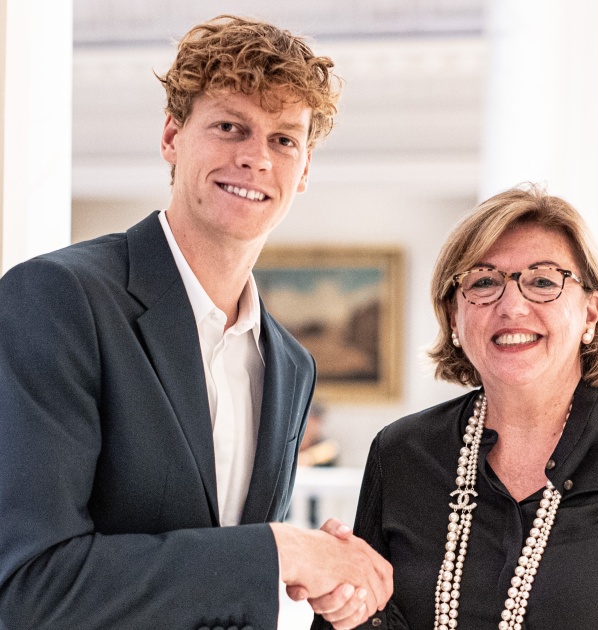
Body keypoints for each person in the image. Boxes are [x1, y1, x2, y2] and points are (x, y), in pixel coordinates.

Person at [0, 15, 391, 630]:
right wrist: (280, 551)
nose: (256, 158)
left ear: (305, 170)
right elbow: (28, 588)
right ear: (171, 137)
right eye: (230, 127)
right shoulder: (58, 298)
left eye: (284, 140)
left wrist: (318, 581)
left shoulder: (290, 364)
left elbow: (222, 583)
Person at [313, 183, 598, 630]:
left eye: (543, 281)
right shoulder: (403, 453)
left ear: (590, 312)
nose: (512, 306)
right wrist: (348, 603)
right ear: (454, 315)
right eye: (484, 282)